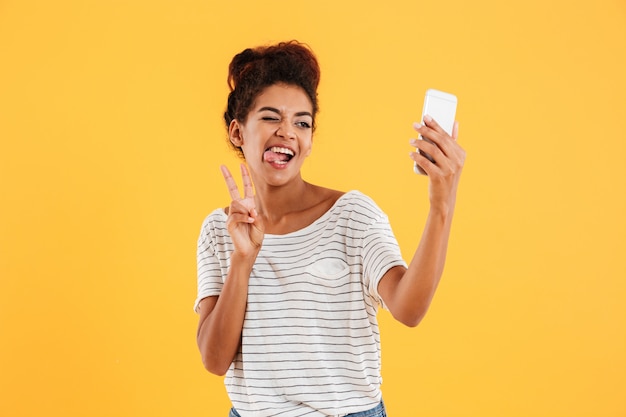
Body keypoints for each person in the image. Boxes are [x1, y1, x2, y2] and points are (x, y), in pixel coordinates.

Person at [194, 40, 466, 417]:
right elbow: (214, 359)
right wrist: (243, 260)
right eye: (271, 117)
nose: (288, 132)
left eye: (301, 122)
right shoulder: (218, 230)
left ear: (308, 142)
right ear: (238, 132)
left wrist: (441, 204)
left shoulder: (352, 215)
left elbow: (409, 309)